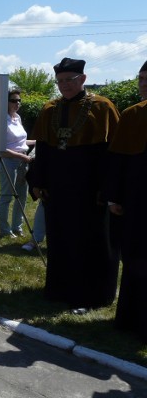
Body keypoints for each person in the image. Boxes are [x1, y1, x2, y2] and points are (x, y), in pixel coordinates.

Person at [29, 57, 120, 312]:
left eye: (69, 80)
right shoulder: (49, 109)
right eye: (60, 81)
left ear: (83, 79)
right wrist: (38, 181)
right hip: (58, 188)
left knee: (89, 239)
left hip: (90, 188)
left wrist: (108, 188)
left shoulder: (102, 107)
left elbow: (112, 152)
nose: (64, 85)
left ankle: (91, 295)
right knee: (60, 238)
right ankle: (59, 288)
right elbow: (43, 149)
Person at [107, 60, 147, 341]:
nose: (143, 83)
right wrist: (114, 197)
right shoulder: (132, 115)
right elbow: (117, 161)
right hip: (137, 199)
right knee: (135, 259)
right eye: (141, 78)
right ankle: (131, 320)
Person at [0, 88, 35, 238]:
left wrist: (39, 141)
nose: (17, 103)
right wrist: (23, 158)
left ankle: (17, 227)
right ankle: (5, 230)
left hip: (23, 160)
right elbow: (1, 149)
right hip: (9, 161)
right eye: (13, 100)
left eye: (19, 100)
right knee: (7, 196)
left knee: (22, 195)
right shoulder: (1, 121)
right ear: (5, 102)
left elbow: (20, 142)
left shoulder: (17, 118)